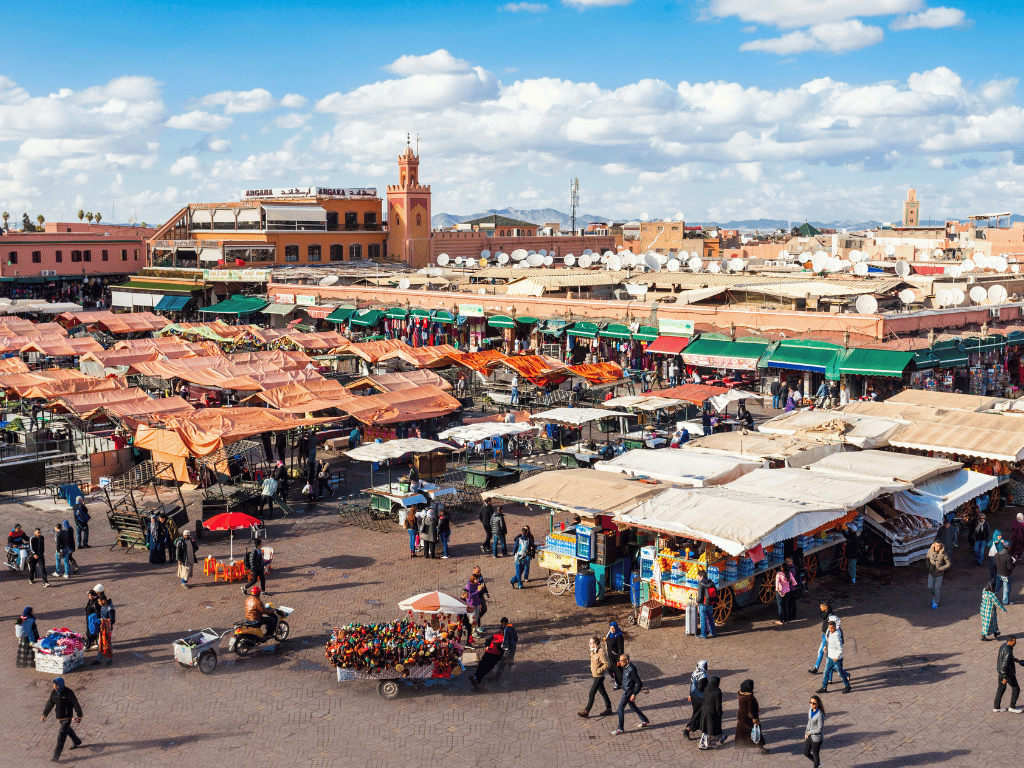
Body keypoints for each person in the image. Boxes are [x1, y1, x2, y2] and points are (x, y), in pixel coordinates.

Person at [41, 677, 83, 762]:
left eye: (56, 685)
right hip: (59, 717)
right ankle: (77, 741)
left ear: (61, 684)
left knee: (61, 736)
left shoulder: (68, 692)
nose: (55, 687)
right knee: (68, 730)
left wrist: (79, 715)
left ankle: (56, 757)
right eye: (54, 685)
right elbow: (50, 703)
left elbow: (75, 703)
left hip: (67, 717)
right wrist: (44, 714)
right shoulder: (54, 693)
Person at [611, 654, 650, 735]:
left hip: (628, 692)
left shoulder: (632, 669)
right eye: (620, 660)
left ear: (627, 661)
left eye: (622, 661)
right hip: (626, 690)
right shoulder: (625, 666)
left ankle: (620, 728)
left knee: (620, 709)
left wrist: (634, 694)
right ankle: (645, 720)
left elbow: (639, 683)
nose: (620, 662)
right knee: (633, 707)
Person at [579, 635, 613, 718]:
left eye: (590, 643)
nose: (589, 644)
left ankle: (586, 711)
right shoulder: (593, 651)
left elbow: (607, 664)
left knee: (592, 693)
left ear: (595, 644)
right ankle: (609, 708)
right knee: (602, 692)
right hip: (595, 675)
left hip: (599, 676)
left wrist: (599, 671)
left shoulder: (601, 652)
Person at [816, 619, 852, 694]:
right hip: (830, 657)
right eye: (829, 628)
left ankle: (847, 686)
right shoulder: (829, 632)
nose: (831, 630)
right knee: (826, 672)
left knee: (841, 673)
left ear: (835, 627)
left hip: (836, 659)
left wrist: (836, 657)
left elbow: (840, 649)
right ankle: (824, 687)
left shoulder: (837, 636)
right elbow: (828, 641)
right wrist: (826, 646)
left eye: (832, 628)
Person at [735, 679, 770, 754]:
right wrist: (755, 720)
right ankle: (761, 748)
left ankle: (739, 746)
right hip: (749, 719)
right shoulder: (750, 698)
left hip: (741, 717)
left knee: (741, 733)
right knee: (756, 733)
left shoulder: (741, 695)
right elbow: (751, 711)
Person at [684, 660, 708, 740]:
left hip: (694, 695)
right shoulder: (703, 676)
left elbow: (692, 684)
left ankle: (699, 727)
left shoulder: (695, 672)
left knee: (698, 712)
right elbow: (701, 688)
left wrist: (690, 694)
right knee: (698, 713)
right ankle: (688, 729)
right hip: (699, 697)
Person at [808, 600, 834, 675]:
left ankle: (816, 667)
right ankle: (835, 667)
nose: (820, 607)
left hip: (826, 637)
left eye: (821, 606)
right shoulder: (825, 614)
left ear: (825, 607)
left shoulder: (830, 616)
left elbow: (831, 628)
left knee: (821, 652)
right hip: (824, 635)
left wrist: (828, 638)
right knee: (828, 653)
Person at [698, 675, 724, 748]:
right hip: (712, 712)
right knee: (712, 728)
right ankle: (709, 744)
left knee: (706, 728)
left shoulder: (706, 688)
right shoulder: (718, 691)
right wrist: (720, 713)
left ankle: (703, 743)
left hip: (704, 710)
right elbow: (718, 705)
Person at [90, 596, 114, 666]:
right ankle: (98, 659)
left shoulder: (110, 608)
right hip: (103, 628)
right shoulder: (103, 606)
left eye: (99, 601)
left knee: (107, 643)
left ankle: (109, 659)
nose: (98, 603)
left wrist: (101, 620)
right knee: (101, 643)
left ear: (103, 601)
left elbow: (112, 619)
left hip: (107, 629)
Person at [927, 541, 952, 609]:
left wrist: (941, 568)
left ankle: (935, 602)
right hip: (931, 573)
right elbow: (927, 559)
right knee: (929, 587)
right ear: (934, 545)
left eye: (939, 546)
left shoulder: (944, 554)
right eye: (937, 546)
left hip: (939, 574)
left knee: (937, 589)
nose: (938, 547)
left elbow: (948, 563)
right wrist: (929, 566)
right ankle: (935, 596)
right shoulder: (930, 551)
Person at [774, 560, 798, 625]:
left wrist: (780, 592)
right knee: (786, 605)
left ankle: (781, 621)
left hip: (780, 592)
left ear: (782, 568)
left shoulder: (779, 574)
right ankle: (786, 620)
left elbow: (776, 586)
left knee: (780, 606)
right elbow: (795, 582)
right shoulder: (789, 574)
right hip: (788, 591)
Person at [696, 568, 718, 639]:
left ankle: (703, 634)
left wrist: (697, 602)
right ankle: (713, 633)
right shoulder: (711, 582)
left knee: (703, 619)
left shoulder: (700, 583)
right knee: (711, 618)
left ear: (701, 576)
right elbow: (716, 592)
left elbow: (700, 596)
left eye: (698, 576)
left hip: (703, 604)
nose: (698, 578)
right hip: (710, 603)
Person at [804, 695, 824, 768]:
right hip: (809, 735)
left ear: (818, 704)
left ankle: (817, 765)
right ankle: (818, 764)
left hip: (817, 738)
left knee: (815, 754)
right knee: (806, 752)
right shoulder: (810, 710)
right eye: (811, 702)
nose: (812, 705)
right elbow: (809, 722)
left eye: (814, 703)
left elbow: (820, 729)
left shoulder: (820, 715)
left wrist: (810, 732)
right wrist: (806, 732)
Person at [606, 621, 625, 690]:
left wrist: (619, 660)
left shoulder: (619, 636)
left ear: (616, 628)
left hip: (616, 656)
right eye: (611, 628)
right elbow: (607, 640)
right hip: (610, 655)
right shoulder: (609, 634)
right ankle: (618, 681)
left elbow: (621, 648)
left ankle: (620, 683)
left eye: (613, 628)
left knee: (618, 671)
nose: (612, 630)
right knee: (610, 669)